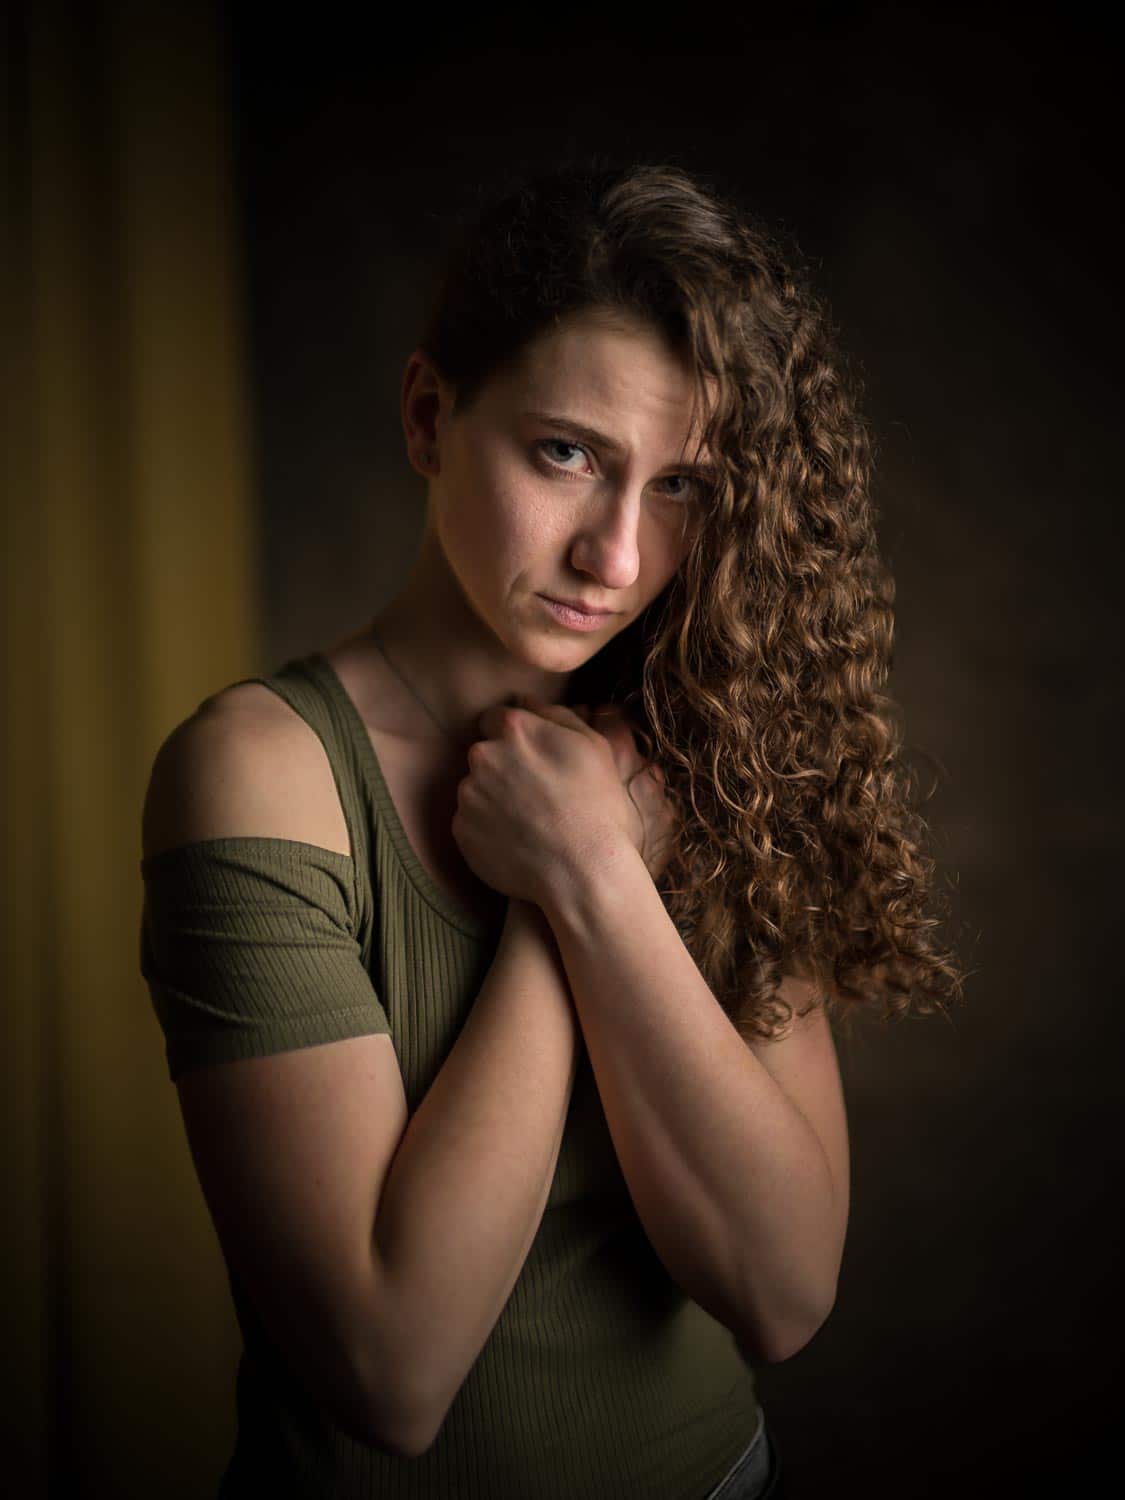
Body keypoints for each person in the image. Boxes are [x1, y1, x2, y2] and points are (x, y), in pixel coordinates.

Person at [139, 160, 964, 1499]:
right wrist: (568, 882)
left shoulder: (710, 746)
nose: (617, 558)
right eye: (566, 455)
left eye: (681, 484)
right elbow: (390, 1371)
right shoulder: (260, 774)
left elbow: (782, 1290)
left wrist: (592, 873)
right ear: (429, 417)